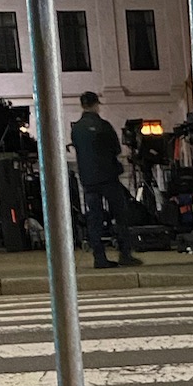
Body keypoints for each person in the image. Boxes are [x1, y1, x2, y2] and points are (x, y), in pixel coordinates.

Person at [69, 92, 140, 267]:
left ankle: (99, 257)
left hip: (88, 180)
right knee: (120, 214)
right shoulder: (103, 125)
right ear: (96, 105)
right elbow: (115, 149)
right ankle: (124, 253)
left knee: (94, 218)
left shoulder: (76, 129)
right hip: (108, 177)